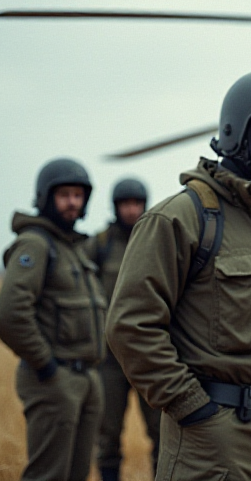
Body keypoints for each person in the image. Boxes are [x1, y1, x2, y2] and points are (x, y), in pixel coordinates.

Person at [106, 69, 251, 481]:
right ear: (239, 131)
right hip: (218, 440)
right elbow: (131, 326)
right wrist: (193, 407)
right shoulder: (182, 218)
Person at [0, 158, 107, 481]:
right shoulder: (36, 244)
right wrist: (46, 365)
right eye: (64, 195)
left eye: (78, 195)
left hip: (86, 378)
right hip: (56, 380)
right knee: (49, 475)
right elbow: (8, 313)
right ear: (45, 197)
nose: (72, 202)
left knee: (76, 474)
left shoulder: (73, 247)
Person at [85, 178, 161, 481]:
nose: (131, 210)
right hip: (109, 360)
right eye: (125, 204)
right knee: (107, 436)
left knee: (162, 434)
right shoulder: (100, 245)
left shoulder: (156, 239)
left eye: (136, 203)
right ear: (115, 207)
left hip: (150, 357)